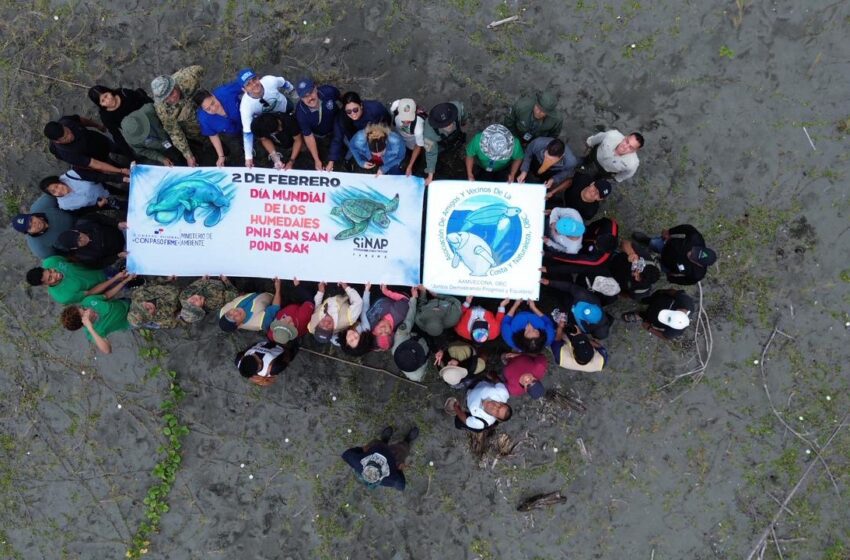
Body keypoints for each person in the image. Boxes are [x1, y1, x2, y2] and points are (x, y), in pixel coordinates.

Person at [236, 68, 298, 167]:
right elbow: (247, 133)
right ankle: (275, 155)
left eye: (254, 80)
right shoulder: (245, 106)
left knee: (294, 120)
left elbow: (283, 83)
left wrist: (292, 91)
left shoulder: (270, 81)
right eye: (248, 84)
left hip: (284, 107)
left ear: (258, 78)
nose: (254, 84)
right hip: (269, 120)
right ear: (244, 89)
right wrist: (248, 157)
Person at [43, 115, 129, 183]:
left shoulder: (67, 121)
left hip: (101, 141)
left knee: (120, 148)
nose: (70, 136)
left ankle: (130, 155)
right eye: (65, 138)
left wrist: (97, 126)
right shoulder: (67, 154)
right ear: (57, 141)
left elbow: (82, 120)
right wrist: (120, 170)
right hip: (97, 158)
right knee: (113, 165)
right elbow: (94, 163)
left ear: (63, 125)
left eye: (68, 131)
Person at [151, 65, 205, 166]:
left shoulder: (188, 77)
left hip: (206, 107)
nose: (171, 99)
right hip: (195, 128)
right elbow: (175, 132)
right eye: (166, 98)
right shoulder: (162, 110)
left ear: (175, 86)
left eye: (172, 94)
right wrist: (188, 155)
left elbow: (201, 69)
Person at [327, 91, 391, 171]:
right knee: (353, 149)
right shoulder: (341, 119)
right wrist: (331, 161)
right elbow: (337, 139)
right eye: (348, 111)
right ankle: (348, 160)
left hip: (374, 134)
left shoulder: (375, 108)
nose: (353, 114)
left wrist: (383, 132)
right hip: (353, 137)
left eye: (355, 109)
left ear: (361, 105)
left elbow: (386, 118)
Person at [341, 426, 419, 491]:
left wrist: (362, 449)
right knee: (402, 449)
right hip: (394, 458)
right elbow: (401, 485)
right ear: (379, 480)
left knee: (377, 443)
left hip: (375, 448)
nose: (378, 462)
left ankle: (384, 440)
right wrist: (400, 469)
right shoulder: (388, 479)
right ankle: (407, 441)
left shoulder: (357, 462)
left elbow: (346, 454)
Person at [633, 225, 717, 285]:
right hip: (666, 245)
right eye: (694, 250)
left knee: (651, 267)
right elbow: (687, 228)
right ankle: (647, 241)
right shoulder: (696, 238)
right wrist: (669, 232)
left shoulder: (697, 274)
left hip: (667, 266)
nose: (689, 252)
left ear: (699, 264)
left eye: (692, 256)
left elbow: (686, 281)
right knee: (654, 243)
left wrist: (672, 279)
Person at [25, 257, 130, 305]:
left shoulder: (50, 261)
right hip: (105, 283)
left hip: (99, 266)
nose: (56, 274)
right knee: (130, 279)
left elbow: (72, 259)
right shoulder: (64, 296)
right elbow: (92, 292)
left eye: (50, 271)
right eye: (51, 278)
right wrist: (115, 279)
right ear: (44, 284)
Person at [87, 85, 153, 157]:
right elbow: (117, 136)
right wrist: (130, 156)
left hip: (150, 119)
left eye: (106, 96)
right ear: (100, 104)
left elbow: (145, 101)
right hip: (139, 132)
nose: (108, 100)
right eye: (103, 101)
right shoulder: (106, 116)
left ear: (110, 92)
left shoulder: (125, 94)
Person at [60, 291, 133, 354]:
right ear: (84, 322)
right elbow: (107, 350)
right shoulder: (93, 332)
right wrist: (91, 329)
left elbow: (106, 295)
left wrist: (123, 282)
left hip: (125, 302)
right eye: (85, 312)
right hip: (131, 319)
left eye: (83, 308)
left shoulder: (86, 302)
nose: (87, 310)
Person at [192, 82, 244, 167]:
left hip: (246, 120)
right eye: (208, 109)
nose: (213, 108)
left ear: (213, 95)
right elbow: (213, 135)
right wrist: (221, 156)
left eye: (212, 103)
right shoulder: (203, 118)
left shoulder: (225, 92)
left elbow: (245, 85)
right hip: (230, 133)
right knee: (237, 151)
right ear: (203, 110)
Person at [293, 78, 340, 171]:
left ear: (315, 88)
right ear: (300, 98)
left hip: (338, 125)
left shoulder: (328, 91)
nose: (310, 98)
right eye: (305, 96)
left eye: (310, 92)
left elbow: (341, 97)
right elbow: (308, 136)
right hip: (319, 134)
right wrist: (317, 160)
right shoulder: (300, 113)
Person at [542, 279, 613, 340]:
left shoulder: (587, 329)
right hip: (568, 298)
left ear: (588, 322)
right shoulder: (583, 295)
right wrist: (549, 282)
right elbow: (569, 286)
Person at [11, 196, 76, 259]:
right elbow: (58, 260)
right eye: (30, 227)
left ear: (32, 215)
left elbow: (56, 191)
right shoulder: (40, 248)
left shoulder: (42, 204)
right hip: (77, 243)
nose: (34, 224)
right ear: (28, 232)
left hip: (78, 215)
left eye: (31, 220)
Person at [121, 103, 186, 166]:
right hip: (164, 149)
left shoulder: (150, 110)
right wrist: (161, 158)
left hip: (178, 134)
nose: (144, 135)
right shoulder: (132, 141)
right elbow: (144, 151)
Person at [52, 216, 126, 269]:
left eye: (79, 237)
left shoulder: (84, 221)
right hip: (123, 249)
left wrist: (117, 224)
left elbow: (101, 218)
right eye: (79, 242)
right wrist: (118, 256)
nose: (83, 239)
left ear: (75, 231)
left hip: (121, 230)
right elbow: (101, 263)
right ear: (74, 248)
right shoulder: (85, 258)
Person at [622, 289, 695, 340]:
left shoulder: (676, 331)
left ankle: (640, 315)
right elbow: (673, 292)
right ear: (678, 310)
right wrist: (662, 291)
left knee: (648, 317)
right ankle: (643, 300)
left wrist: (649, 328)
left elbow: (665, 337)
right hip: (659, 299)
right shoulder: (686, 301)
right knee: (645, 299)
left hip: (654, 319)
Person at [422, 101, 466, 185]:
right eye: (444, 124)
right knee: (439, 151)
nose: (449, 125)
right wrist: (430, 175)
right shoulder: (428, 134)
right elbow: (431, 153)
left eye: (450, 121)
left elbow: (463, 115)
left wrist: (463, 121)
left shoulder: (458, 107)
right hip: (441, 141)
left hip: (456, 135)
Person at [38, 173, 126, 213]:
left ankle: (125, 193)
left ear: (58, 181)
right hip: (100, 203)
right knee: (122, 206)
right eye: (54, 192)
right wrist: (97, 206)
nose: (58, 191)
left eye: (56, 186)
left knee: (121, 192)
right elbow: (82, 211)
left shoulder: (71, 175)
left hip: (102, 188)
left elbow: (93, 176)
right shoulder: (65, 205)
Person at [264, 277, 315, 345]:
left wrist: (277, 289)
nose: (287, 319)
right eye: (290, 324)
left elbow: (270, 336)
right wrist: (298, 286)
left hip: (287, 306)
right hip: (300, 304)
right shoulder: (303, 316)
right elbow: (310, 300)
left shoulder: (272, 334)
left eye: (281, 322)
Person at [447, 380, 511, 432]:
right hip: (476, 382)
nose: (495, 407)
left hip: (466, 400)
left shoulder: (481, 423)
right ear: (502, 402)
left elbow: (466, 420)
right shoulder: (503, 393)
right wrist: (491, 376)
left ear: (496, 418)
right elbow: (497, 381)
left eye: (497, 412)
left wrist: (456, 408)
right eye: (500, 405)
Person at [363, 284, 412, 350]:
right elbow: (405, 299)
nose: (383, 329)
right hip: (390, 289)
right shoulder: (399, 313)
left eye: (380, 333)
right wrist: (387, 292)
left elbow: (364, 308)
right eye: (387, 332)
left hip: (370, 291)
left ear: (374, 332)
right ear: (391, 332)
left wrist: (366, 290)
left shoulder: (369, 326)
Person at [547, 174, 613, 220]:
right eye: (595, 188)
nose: (593, 193)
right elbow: (570, 182)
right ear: (592, 183)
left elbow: (574, 218)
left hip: (566, 211)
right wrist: (552, 192)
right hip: (563, 195)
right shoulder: (584, 178)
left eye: (598, 194)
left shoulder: (589, 212)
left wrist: (557, 214)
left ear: (599, 199)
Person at [234, 339, 299, 386]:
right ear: (259, 364)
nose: (254, 353)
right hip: (281, 347)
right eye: (256, 356)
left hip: (267, 340)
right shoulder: (273, 368)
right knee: (291, 353)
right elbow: (286, 360)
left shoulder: (238, 360)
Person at [389, 98, 426, 176]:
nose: (406, 120)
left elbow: (418, 146)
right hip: (401, 139)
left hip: (412, 144)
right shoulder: (396, 105)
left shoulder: (418, 129)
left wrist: (410, 166)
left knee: (417, 156)